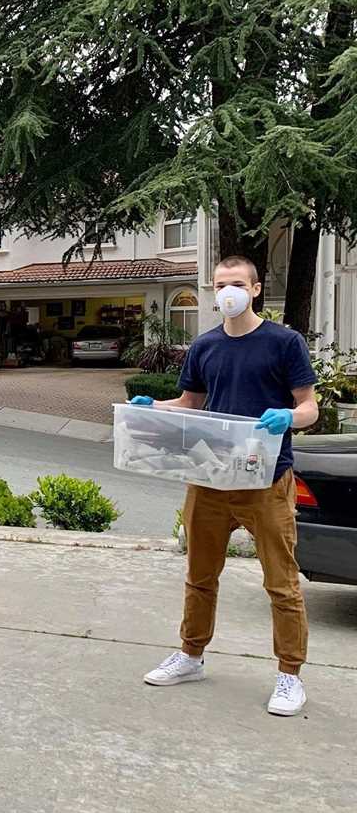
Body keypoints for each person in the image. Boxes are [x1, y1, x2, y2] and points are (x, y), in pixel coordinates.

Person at [130, 256, 318, 716]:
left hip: (266, 480)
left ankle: (289, 676)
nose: (227, 292)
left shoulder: (284, 342)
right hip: (210, 476)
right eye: (219, 285)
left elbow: (309, 407)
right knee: (199, 577)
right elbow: (191, 402)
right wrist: (154, 406)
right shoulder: (205, 346)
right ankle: (191, 656)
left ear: (255, 290)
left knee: (282, 582)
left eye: (236, 283)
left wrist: (288, 418)